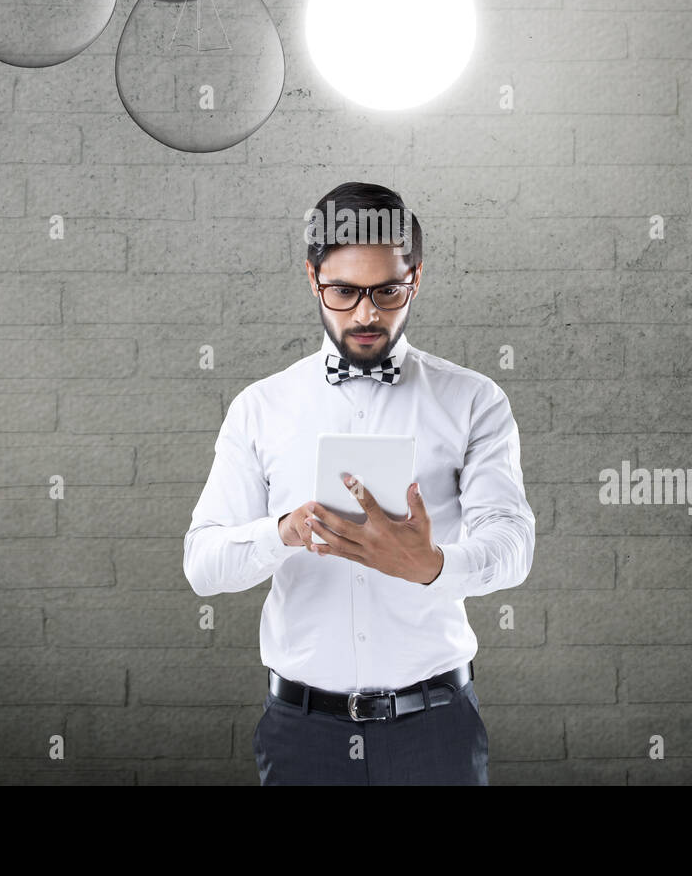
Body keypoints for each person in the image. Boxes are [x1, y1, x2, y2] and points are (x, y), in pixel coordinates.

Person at [183, 182, 536, 785]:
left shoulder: (474, 400)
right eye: (344, 292)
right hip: (302, 734)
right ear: (313, 278)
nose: (367, 314)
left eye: (387, 291)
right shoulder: (260, 407)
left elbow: (513, 546)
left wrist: (432, 564)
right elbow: (203, 567)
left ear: (416, 279)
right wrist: (283, 533)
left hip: (437, 730)